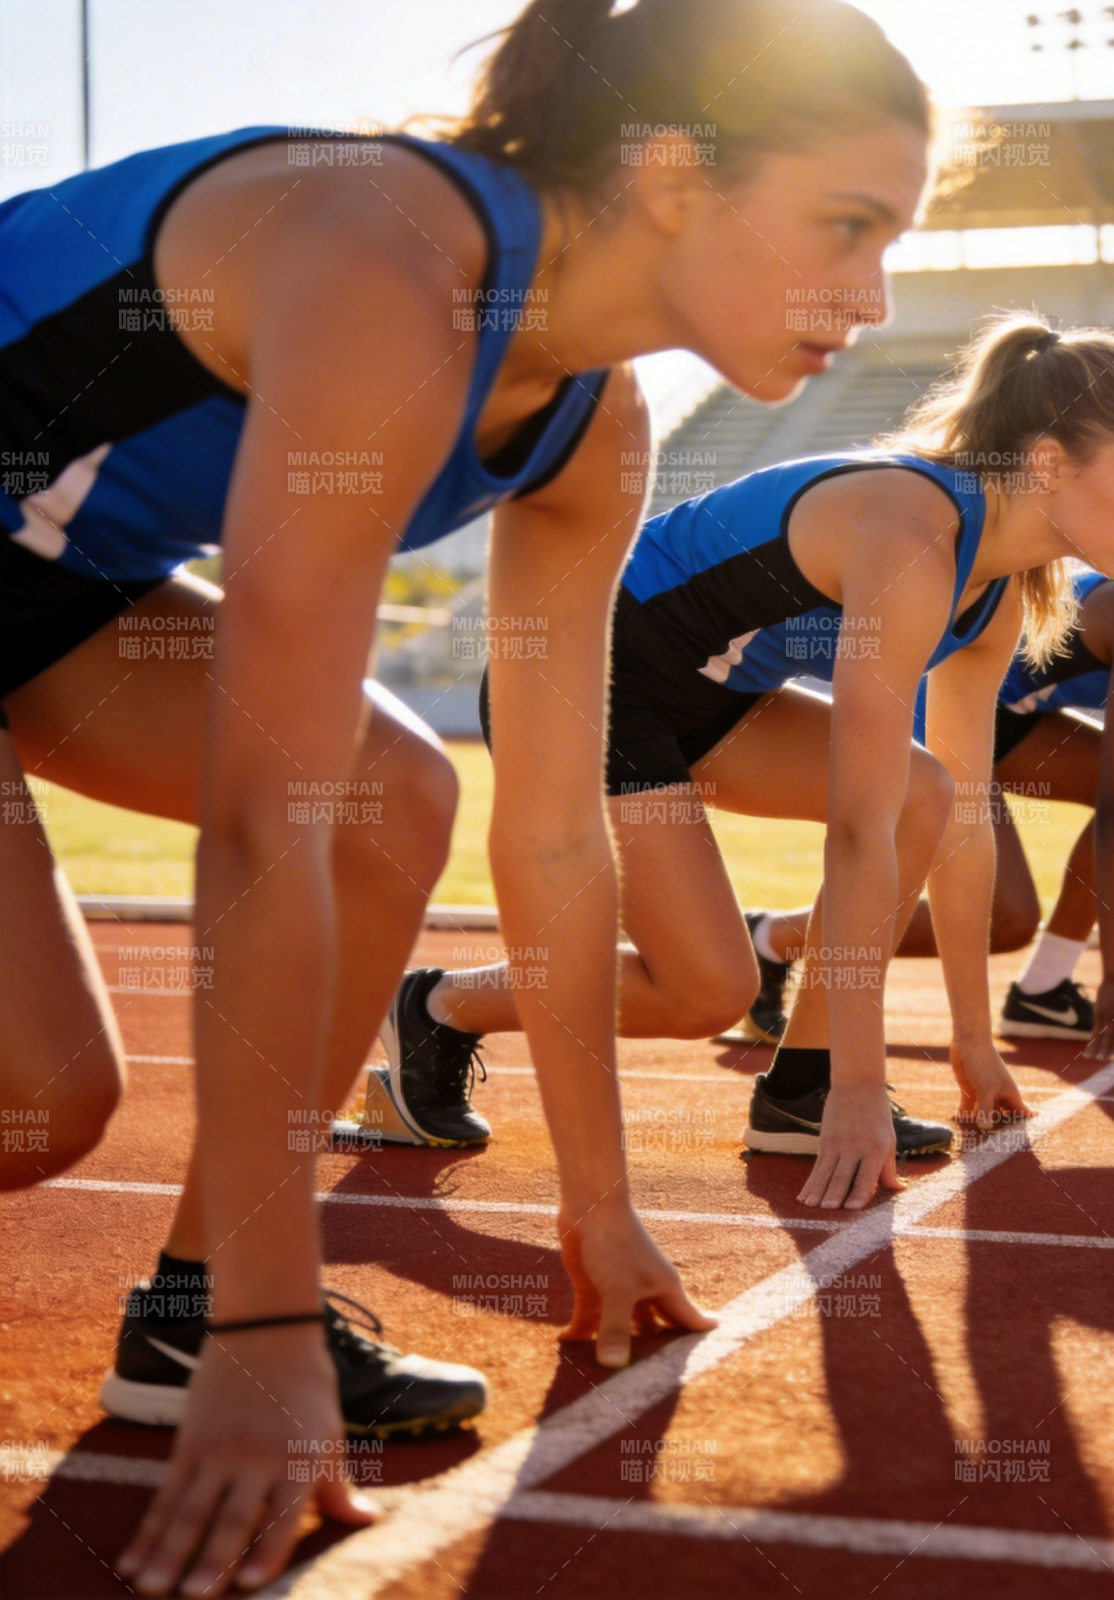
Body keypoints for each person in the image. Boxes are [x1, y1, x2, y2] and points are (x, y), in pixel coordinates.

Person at [0, 0, 934, 1591]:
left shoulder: (593, 426)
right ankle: (236, 1313)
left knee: (399, 799)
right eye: (847, 225)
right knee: (44, 1097)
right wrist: (279, 1325)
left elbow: (557, 830)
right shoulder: (385, 261)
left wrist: (600, 1203)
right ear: (670, 174)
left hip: (56, 589)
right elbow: (262, 820)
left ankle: (190, 1310)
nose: (873, 294)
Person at [377, 317, 1114, 1217]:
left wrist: (974, 1042)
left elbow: (964, 826)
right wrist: (866, 1081)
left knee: (929, 793)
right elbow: (856, 828)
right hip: (582, 676)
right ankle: (436, 1006)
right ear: (1047, 463)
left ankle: (802, 1085)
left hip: (711, 696)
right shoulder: (911, 529)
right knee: (706, 992)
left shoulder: (999, 595)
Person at [744, 469, 1114, 1060]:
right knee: (1007, 919)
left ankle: (1043, 988)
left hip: (1008, 719)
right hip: (943, 707)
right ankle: (770, 937)